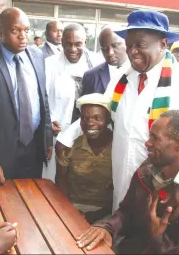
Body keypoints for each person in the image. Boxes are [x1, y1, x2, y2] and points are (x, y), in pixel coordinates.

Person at [56, 10, 179, 216]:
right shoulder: (123, 77)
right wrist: (67, 137)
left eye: (140, 45)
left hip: (166, 188)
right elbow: (102, 112)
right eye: (129, 45)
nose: (132, 52)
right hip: (122, 184)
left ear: (163, 44)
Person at [76, 110, 179, 254]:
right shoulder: (147, 170)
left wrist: (159, 239)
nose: (147, 143)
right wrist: (107, 228)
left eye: (155, 138)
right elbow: (126, 211)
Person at [0, 7, 53, 185]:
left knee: (30, 202)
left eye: (26, 30)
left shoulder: (36, 55)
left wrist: (47, 137)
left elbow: (42, 98)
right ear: (0, 32)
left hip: (33, 149)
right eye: (15, 31)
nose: (23, 36)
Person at [43, 23, 101, 181]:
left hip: (86, 134)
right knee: (54, 180)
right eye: (68, 44)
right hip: (58, 132)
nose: (73, 49)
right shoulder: (50, 64)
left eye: (78, 44)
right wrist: (49, 121)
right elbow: (43, 98)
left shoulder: (96, 63)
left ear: (85, 41)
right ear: (61, 42)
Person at [56, 93, 113, 224]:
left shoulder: (118, 148)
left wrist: (97, 215)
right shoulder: (70, 146)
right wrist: (68, 211)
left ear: (108, 120)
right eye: (84, 118)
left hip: (107, 212)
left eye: (97, 118)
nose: (89, 123)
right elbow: (61, 180)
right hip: (73, 207)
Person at [81, 25, 129, 96]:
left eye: (114, 46)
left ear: (127, 43)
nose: (110, 53)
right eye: (104, 48)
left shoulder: (140, 73)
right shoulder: (90, 76)